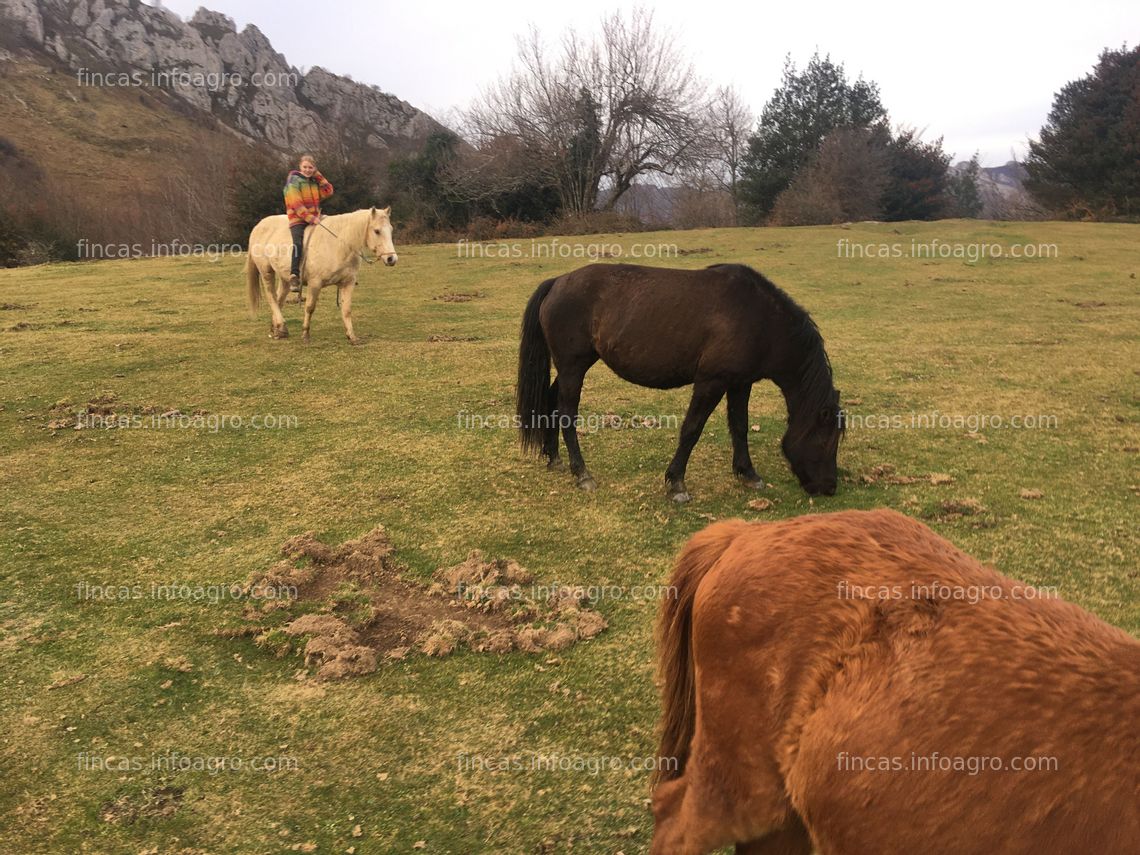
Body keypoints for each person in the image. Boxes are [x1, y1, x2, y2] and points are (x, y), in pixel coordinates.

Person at [283, 154, 334, 292]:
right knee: (298, 243)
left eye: (310, 167)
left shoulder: (313, 181)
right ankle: (294, 275)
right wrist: (310, 218)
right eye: (305, 167)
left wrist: (318, 175)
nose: (307, 170)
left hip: (314, 218)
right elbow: (296, 204)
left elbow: (328, 191)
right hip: (298, 219)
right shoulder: (293, 181)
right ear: (300, 166)